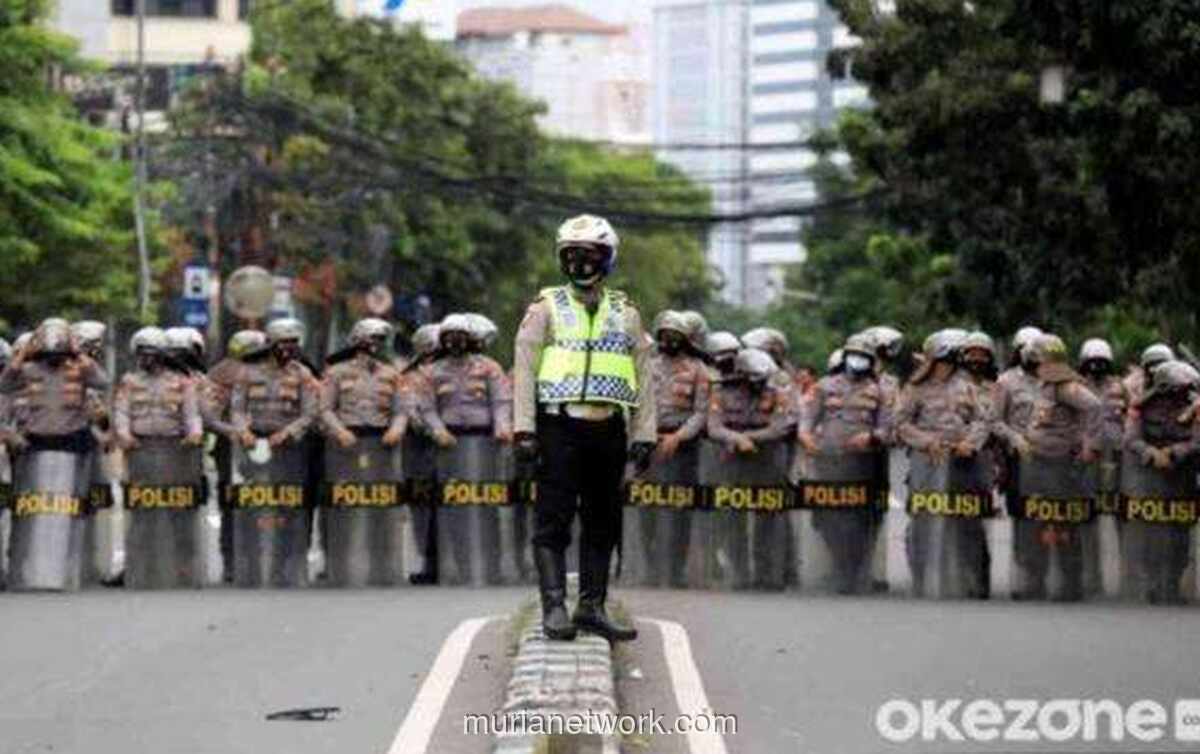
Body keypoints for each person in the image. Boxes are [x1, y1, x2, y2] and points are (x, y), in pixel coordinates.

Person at [512, 214, 656, 642]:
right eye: (571, 256)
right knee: (552, 520)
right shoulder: (545, 309)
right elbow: (523, 368)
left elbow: (644, 376)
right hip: (558, 426)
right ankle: (554, 607)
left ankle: (592, 606)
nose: (580, 264)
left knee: (604, 521)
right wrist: (523, 430)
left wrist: (644, 435)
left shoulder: (625, 313)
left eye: (589, 256)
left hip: (608, 431)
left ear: (607, 259)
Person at [894, 330, 991, 598]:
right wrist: (926, 441)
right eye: (943, 360)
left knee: (968, 521)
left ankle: (975, 580)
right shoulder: (914, 388)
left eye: (952, 360)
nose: (947, 366)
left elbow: (983, 421)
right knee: (923, 521)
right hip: (927, 462)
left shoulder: (967, 387)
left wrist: (970, 443)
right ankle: (922, 577)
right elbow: (900, 423)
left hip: (962, 462)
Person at [1123, 360, 1200, 603]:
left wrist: (1174, 452)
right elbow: (1130, 439)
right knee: (1152, 535)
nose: (1184, 392)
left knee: (1180, 536)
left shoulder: (1194, 407)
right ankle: (1153, 583)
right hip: (1150, 478)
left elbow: (1198, 442)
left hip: (1182, 478)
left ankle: (1174, 584)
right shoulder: (1140, 407)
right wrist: (1151, 454)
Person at [208, 330, 265, 582]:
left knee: (252, 501)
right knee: (237, 502)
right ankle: (236, 559)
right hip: (235, 445)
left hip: (260, 443)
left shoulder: (270, 370)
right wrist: (236, 431)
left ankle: (249, 559)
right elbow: (212, 414)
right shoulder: (223, 373)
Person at [320, 318, 407, 450]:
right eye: (375, 338)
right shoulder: (336, 372)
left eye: (382, 339)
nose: (378, 343)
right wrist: (339, 432)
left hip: (381, 440)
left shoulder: (392, 374)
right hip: (346, 439)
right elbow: (326, 409)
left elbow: (401, 410)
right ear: (360, 339)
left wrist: (396, 430)